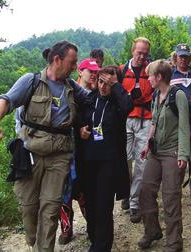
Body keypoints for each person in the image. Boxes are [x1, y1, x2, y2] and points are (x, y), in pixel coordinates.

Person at [0, 40, 90, 251]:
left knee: (50, 210)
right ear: (57, 60)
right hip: (30, 153)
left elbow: (94, 100)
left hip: (59, 156)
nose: (75, 67)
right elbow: (5, 101)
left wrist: (110, 85)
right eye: (72, 62)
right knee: (29, 207)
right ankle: (33, 240)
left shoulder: (72, 87)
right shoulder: (30, 81)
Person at [79, 66, 133, 252]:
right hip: (89, 160)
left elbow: (128, 106)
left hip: (109, 162)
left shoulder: (118, 103)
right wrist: (82, 130)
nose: (103, 86)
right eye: (101, 81)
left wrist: (115, 85)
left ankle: (102, 247)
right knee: (91, 205)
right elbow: (80, 120)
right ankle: (94, 240)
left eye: (107, 83)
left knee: (103, 206)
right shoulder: (90, 99)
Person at [138, 60, 190, 251]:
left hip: (172, 153)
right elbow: (154, 121)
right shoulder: (156, 95)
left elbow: (184, 126)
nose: (148, 79)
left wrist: (183, 155)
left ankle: (175, 242)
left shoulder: (179, 96)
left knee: (170, 197)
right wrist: (147, 144)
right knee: (145, 190)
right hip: (156, 151)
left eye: (150, 75)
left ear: (159, 77)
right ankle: (152, 231)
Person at [57, 58, 100, 245]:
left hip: (84, 149)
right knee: (63, 189)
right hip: (64, 147)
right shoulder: (67, 89)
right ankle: (66, 229)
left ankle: (93, 227)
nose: (94, 74)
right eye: (90, 71)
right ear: (80, 71)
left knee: (83, 188)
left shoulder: (94, 94)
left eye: (95, 71)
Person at [119, 37, 154, 223]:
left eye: (145, 53)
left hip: (146, 119)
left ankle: (134, 204)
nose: (142, 56)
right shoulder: (122, 70)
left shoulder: (152, 70)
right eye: (139, 52)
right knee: (124, 159)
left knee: (141, 162)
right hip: (125, 120)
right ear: (132, 51)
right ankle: (126, 191)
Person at [170, 43, 191, 202]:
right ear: (175, 57)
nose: (183, 59)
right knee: (179, 149)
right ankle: (175, 184)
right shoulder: (170, 74)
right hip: (175, 118)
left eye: (186, 56)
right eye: (180, 56)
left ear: (190, 58)